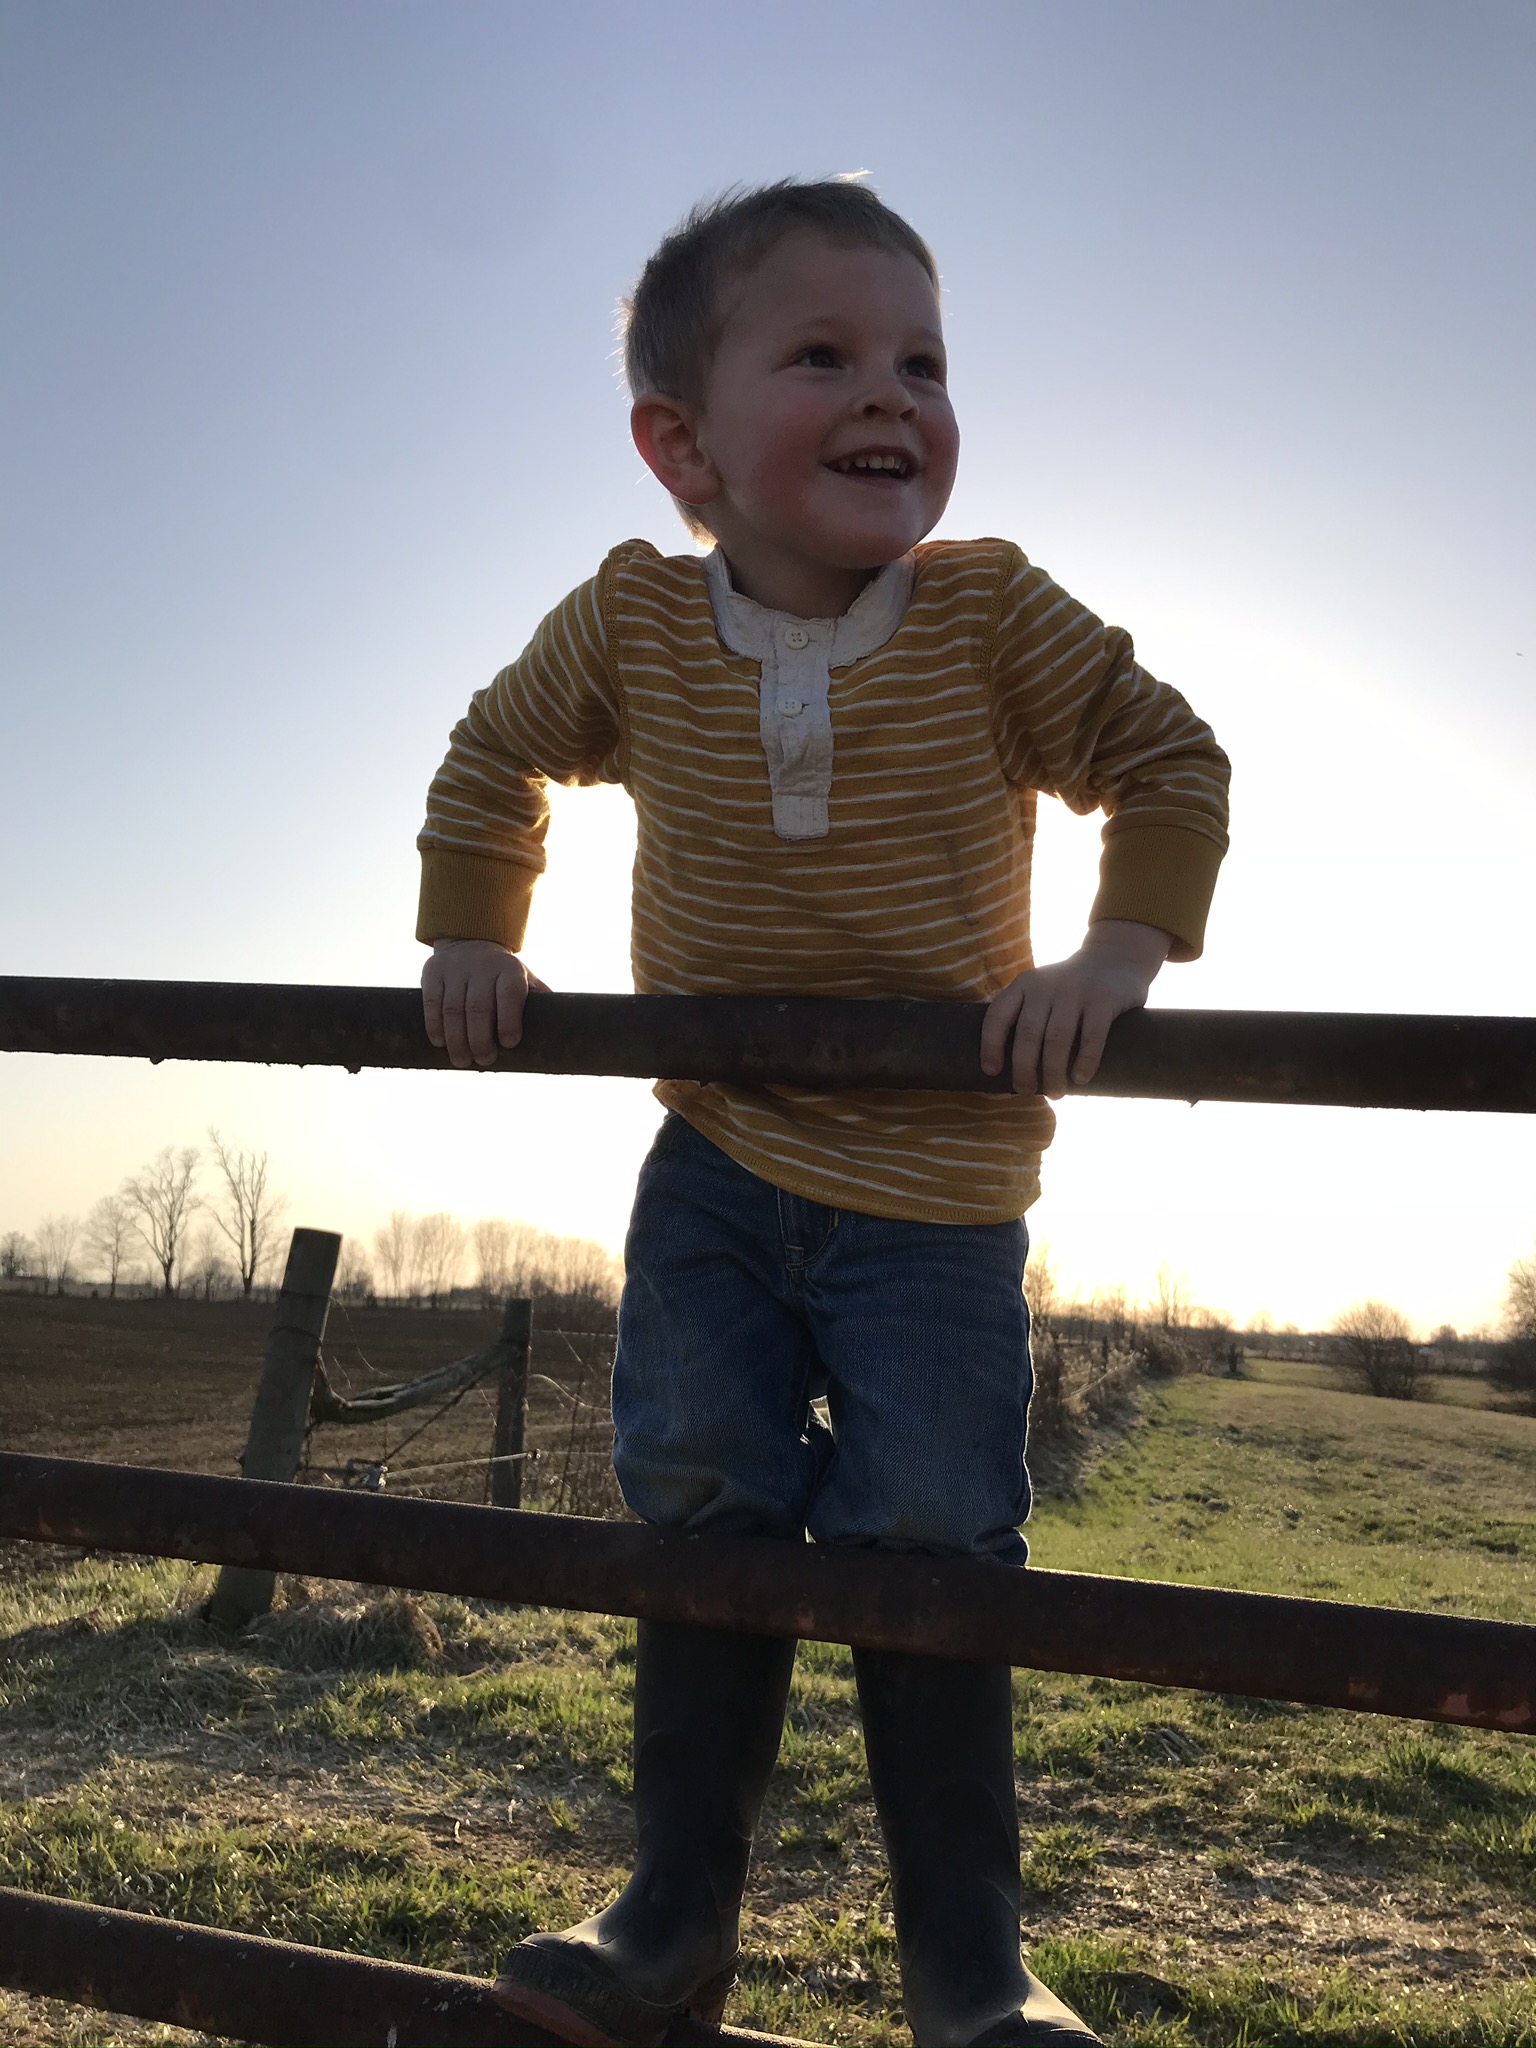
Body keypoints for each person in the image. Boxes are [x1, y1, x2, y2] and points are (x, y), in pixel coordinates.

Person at [416, 179, 1229, 2048]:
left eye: (924, 363)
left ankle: (970, 1969)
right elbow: (491, 753)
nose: (894, 396)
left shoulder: (989, 614)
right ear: (680, 447)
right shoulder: (632, 622)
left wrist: (1115, 955)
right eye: (826, 355)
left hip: (942, 1184)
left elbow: (1168, 758)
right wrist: (473, 937)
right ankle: (671, 1923)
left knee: (931, 1529)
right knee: (699, 1493)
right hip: (716, 1151)